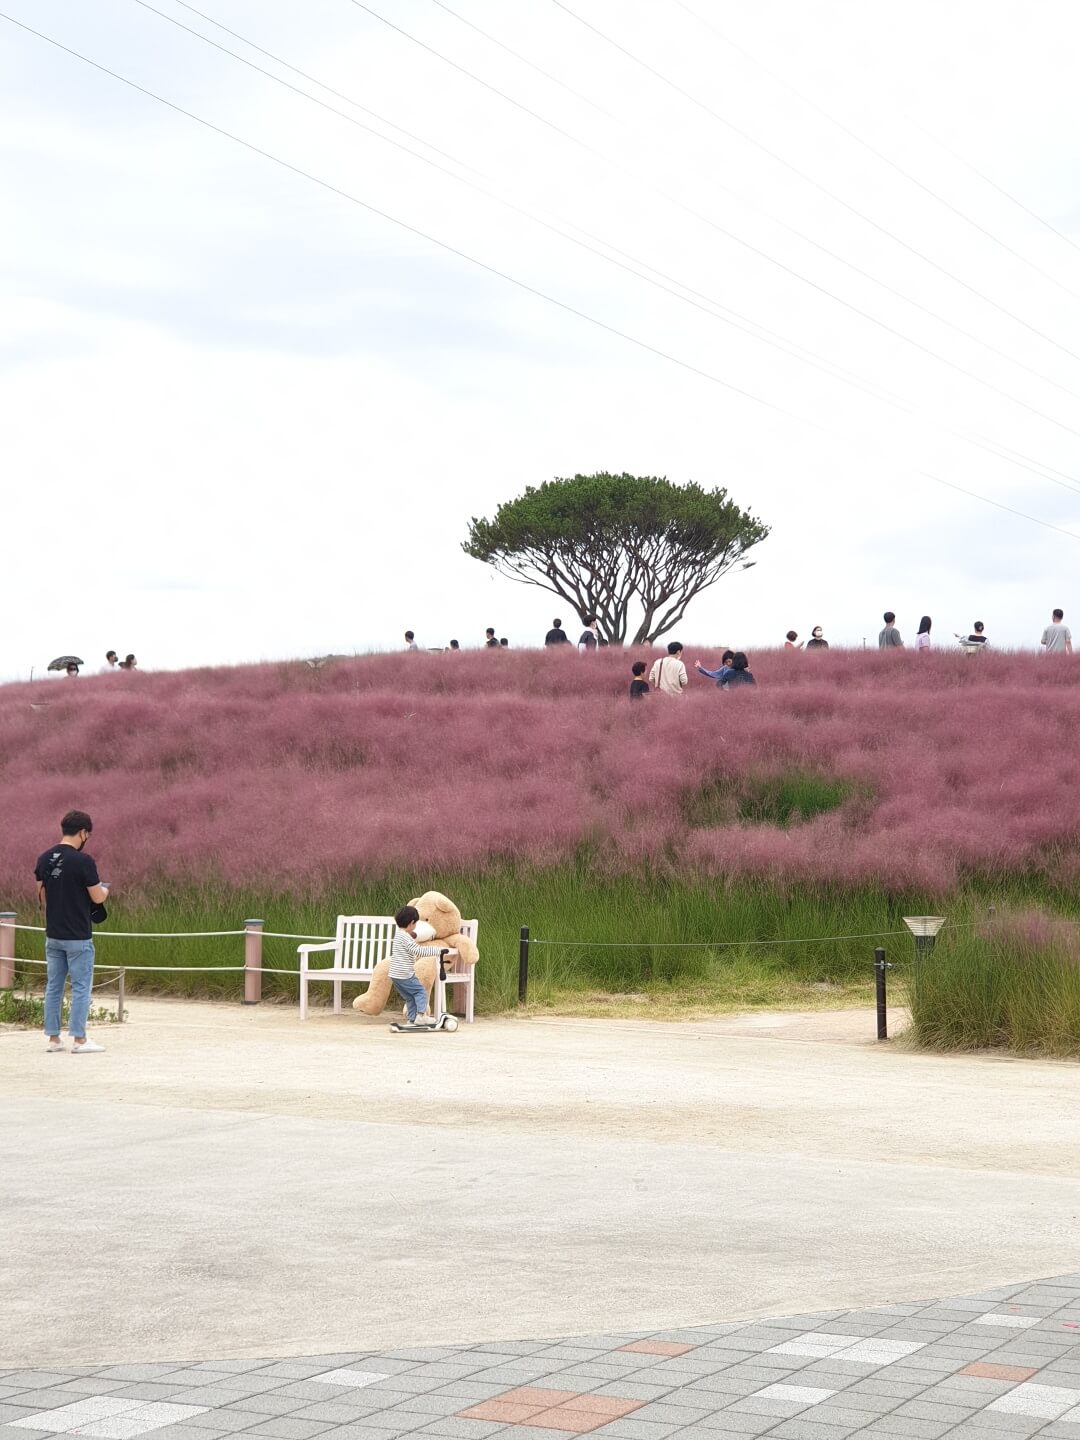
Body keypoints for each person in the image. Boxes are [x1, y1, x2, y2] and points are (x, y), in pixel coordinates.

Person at [35, 810, 111, 1053]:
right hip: (78, 935)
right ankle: (79, 1039)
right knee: (80, 987)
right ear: (83, 832)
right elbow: (97, 896)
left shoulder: (44, 858)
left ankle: (54, 1039)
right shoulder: (84, 861)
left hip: (53, 934)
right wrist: (106, 891)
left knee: (54, 986)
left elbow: (41, 895)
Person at [389, 905, 446, 1030]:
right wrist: (437, 950)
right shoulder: (406, 937)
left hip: (395, 975)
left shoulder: (398, 935)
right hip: (405, 974)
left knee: (410, 997)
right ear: (411, 923)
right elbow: (418, 951)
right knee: (420, 992)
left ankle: (412, 1018)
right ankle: (421, 1016)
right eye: (415, 924)